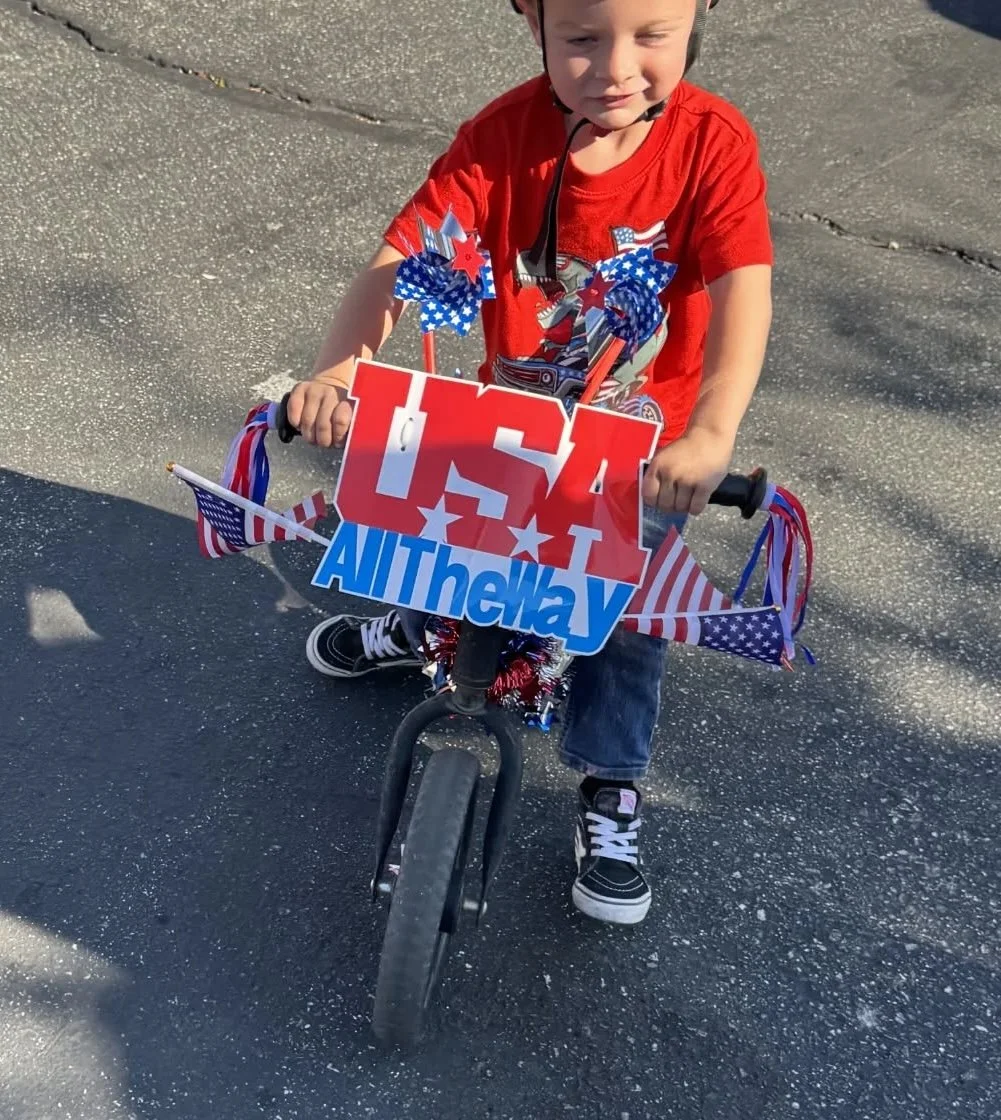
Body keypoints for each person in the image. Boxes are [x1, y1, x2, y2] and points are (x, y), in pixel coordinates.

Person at [287, 0, 773, 925]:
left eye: (651, 36)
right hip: (507, 422)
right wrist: (341, 366)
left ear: (697, 21)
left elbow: (743, 284)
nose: (614, 67)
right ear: (534, 23)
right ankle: (421, 630)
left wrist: (709, 435)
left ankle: (611, 781)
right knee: (448, 536)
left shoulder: (711, 144)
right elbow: (405, 258)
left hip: (638, 449)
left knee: (624, 618)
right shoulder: (501, 135)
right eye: (582, 39)